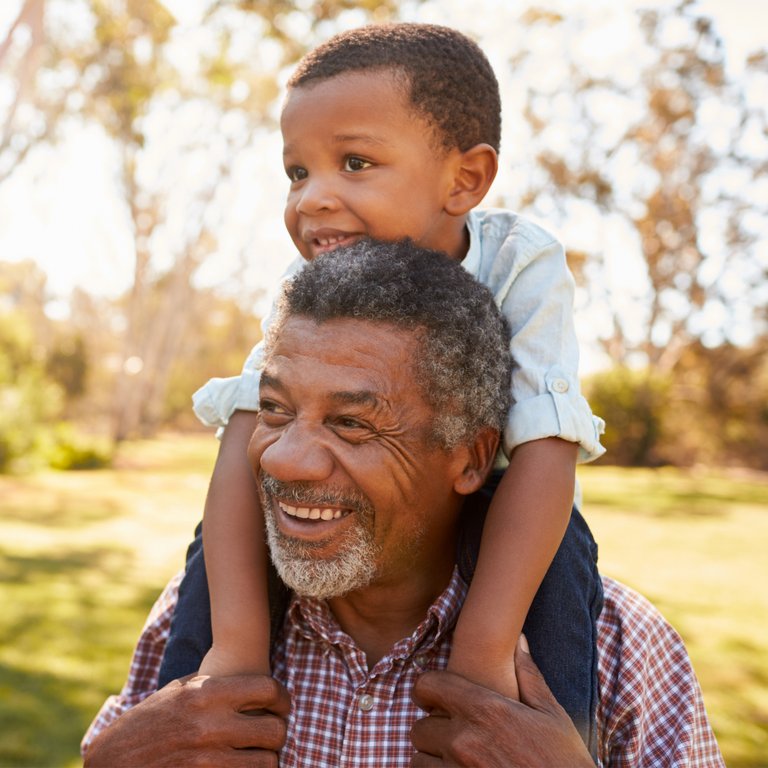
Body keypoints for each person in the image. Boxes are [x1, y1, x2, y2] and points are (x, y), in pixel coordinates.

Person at [81, 242, 724, 766]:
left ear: (471, 458)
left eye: (353, 424)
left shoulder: (618, 648)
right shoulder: (197, 617)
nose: (282, 459)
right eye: (274, 410)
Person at [165, 21, 607, 751]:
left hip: (507, 510)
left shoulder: (519, 263)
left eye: (356, 163)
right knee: (211, 556)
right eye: (298, 172)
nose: (312, 199)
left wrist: (483, 654)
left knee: (561, 587)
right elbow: (247, 432)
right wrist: (234, 648)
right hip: (356, 523)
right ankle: (185, 737)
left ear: (463, 179)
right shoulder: (304, 288)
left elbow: (546, 449)